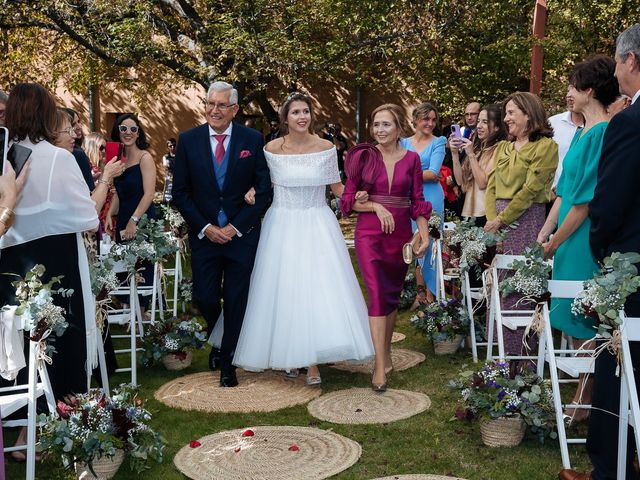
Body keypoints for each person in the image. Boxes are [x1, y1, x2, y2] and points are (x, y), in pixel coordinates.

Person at [232, 93, 373, 383]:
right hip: (281, 223)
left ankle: (311, 361)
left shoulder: (325, 148)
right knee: (284, 289)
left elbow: (337, 188)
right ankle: (291, 353)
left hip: (317, 223)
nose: (301, 116)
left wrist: (356, 194)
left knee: (315, 288)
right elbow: (262, 183)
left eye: (306, 111)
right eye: (295, 112)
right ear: (285, 118)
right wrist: (251, 190)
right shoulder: (270, 149)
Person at [0, 83, 99, 455]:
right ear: (46, 114)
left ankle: (24, 428)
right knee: (60, 338)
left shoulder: (3, 158)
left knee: (20, 341)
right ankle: (55, 423)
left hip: (10, 263)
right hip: (57, 259)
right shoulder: (59, 159)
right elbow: (87, 217)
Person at [560, 23, 640, 480]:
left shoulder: (628, 124)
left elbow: (608, 201)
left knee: (616, 361)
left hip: (631, 268)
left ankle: (610, 467)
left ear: (630, 61)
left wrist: (605, 254)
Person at [172, 81, 271, 387]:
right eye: (210, 104)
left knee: (237, 297)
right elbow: (180, 193)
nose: (214, 110)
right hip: (205, 236)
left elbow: (265, 189)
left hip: (241, 235)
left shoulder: (252, 140)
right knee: (205, 296)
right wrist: (206, 228)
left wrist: (234, 226)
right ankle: (219, 338)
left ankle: (228, 361)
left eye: (221, 105)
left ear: (235, 109)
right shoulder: (188, 140)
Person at [537, 55, 619, 427]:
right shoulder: (582, 132)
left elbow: (584, 202)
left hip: (582, 236)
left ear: (588, 90)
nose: (568, 93)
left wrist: (555, 241)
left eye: (573, 86)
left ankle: (584, 397)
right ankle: (582, 390)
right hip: (565, 231)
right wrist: (547, 228)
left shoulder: (602, 132)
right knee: (571, 310)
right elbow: (564, 191)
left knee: (587, 316)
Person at [342, 104, 432, 391]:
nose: (380, 130)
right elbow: (347, 203)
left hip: (400, 236)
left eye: (386, 125)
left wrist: (424, 234)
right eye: (376, 124)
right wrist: (374, 205)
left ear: (398, 129)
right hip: (369, 234)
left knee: (391, 297)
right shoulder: (363, 156)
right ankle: (379, 366)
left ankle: (387, 354)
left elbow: (417, 202)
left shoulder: (413, 160)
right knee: (377, 294)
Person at [484, 92, 558, 355]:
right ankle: (504, 355)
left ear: (529, 114)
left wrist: (501, 220)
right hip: (499, 221)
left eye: (512, 112)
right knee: (503, 284)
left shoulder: (546, 147)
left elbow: (530, 190)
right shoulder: (504, 147)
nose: (506, 118)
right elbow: (491, 187)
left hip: (527, 219)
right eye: (506, 113)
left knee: (523, 285)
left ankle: (524, 359)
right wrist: (494, 223)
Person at [399, 102, 445, 304]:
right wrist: (417, 174)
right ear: (416, 120)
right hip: (408, 199)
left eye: (434, 120)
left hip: (431, 198)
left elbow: (434, 173)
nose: (430, 123)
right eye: (426, 119)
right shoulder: (403, 143)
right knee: (413, 244)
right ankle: (420, 292)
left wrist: (405, 173)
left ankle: (432, 294)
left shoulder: (439, 142)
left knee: (431, 243)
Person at [450, 104, 506, 226]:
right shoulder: (476, 147)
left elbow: (482, 183)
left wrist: (470, 154)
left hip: (485, 214)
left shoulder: (500, 149)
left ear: (496, 127)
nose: (479, 126)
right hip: (468, 212)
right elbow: (460, 181)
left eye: (485, 122)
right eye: (479, 121)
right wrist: (454, 153)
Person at [549, 93, 585, 191]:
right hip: (551, 195)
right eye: (569, 89)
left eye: (575, 90)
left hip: (580, 194)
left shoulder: (598, 127)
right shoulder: (552, 123)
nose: (569, 95)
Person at [162, 138, 177, 203]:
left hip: (178, 176)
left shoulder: (179, 155)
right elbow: (165, 167)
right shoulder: (165, 157)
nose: (172, 147)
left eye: (174, 145)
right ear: (168, 147)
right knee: (168, 193)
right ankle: (168, 206)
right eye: (170, 146)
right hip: (169, 176)